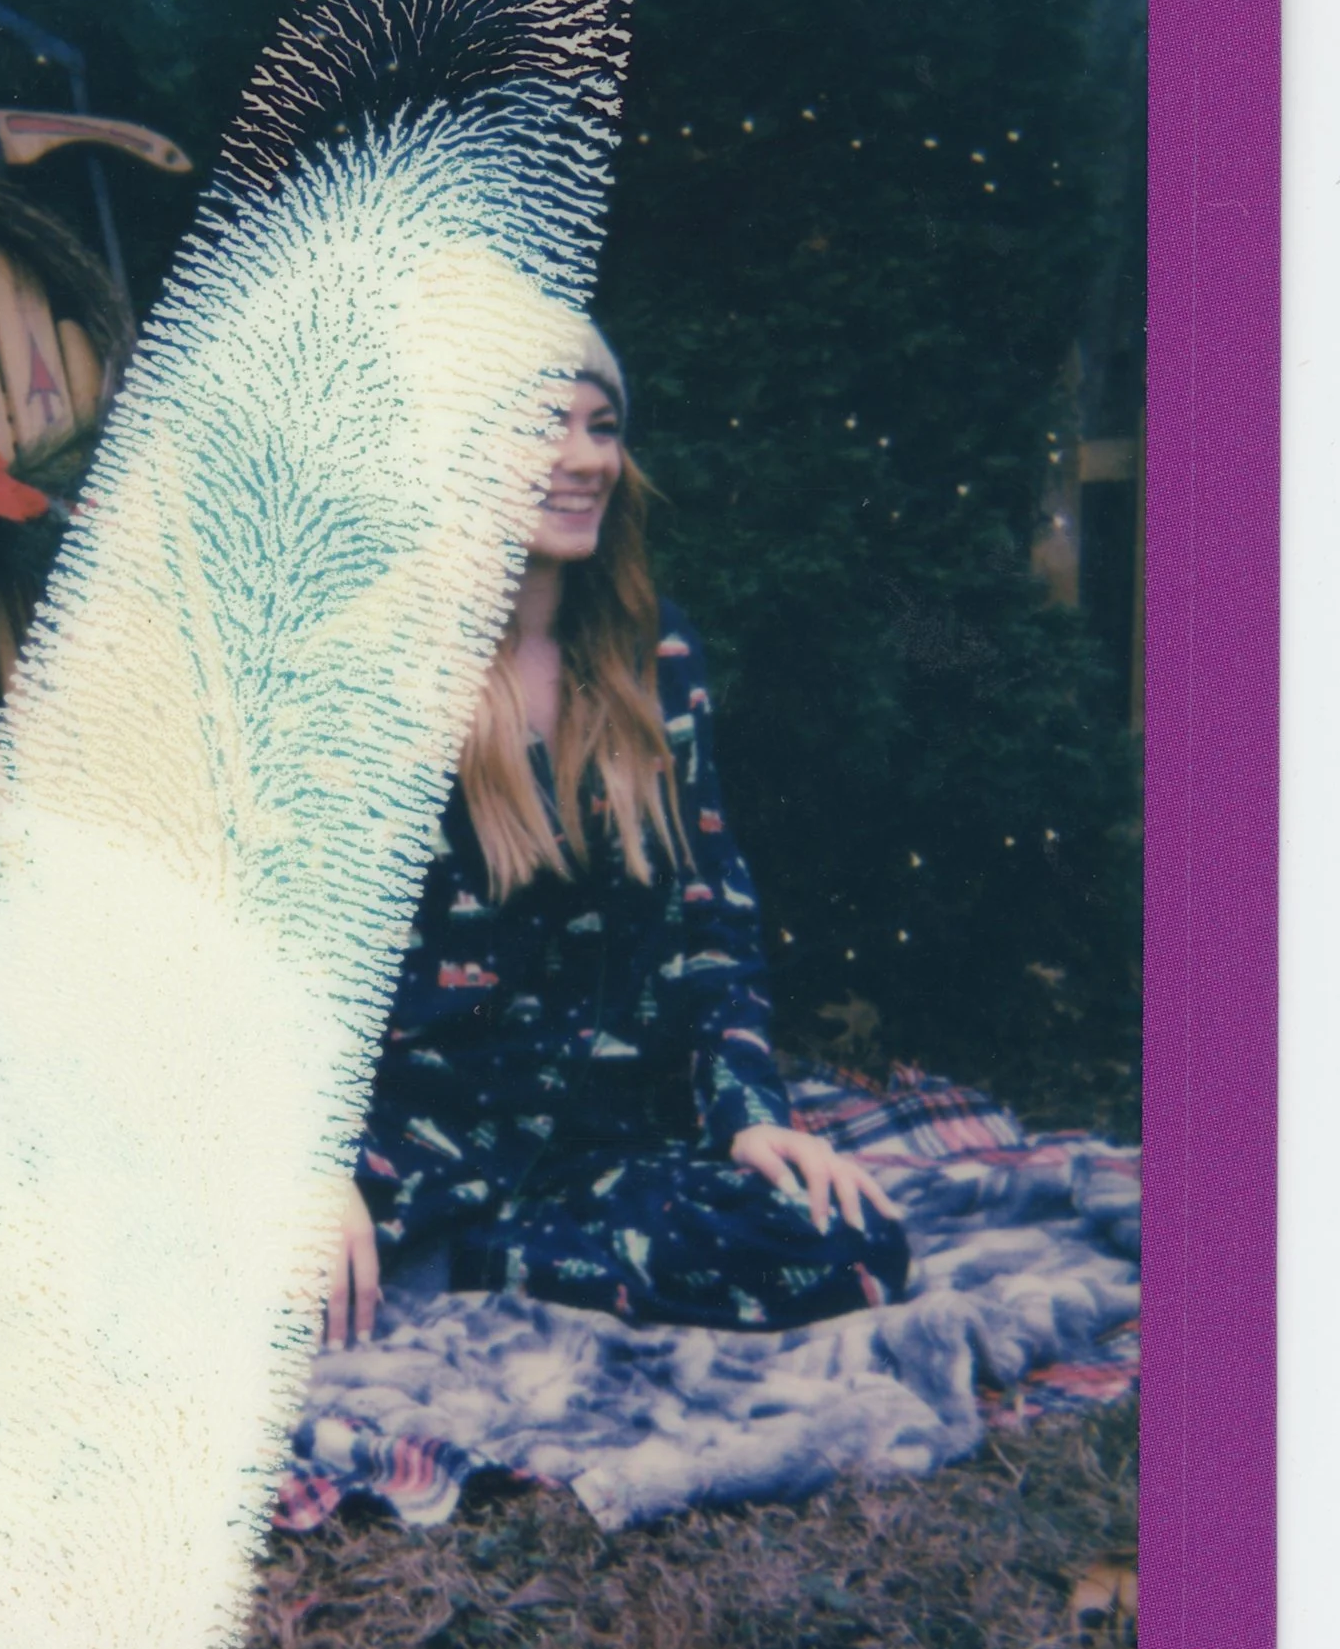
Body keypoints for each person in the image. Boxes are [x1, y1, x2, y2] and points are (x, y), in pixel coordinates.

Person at [326, 324, 909, 1349]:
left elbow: (711, 920)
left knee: (846, 1239)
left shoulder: (656, 652)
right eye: (541, 425)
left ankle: (470, 1273)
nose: (585, 458)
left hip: (606, 1149)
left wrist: (749, 1113)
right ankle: (433, 1260)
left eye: (601, 427)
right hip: (408, 1145)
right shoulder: (366, 669)